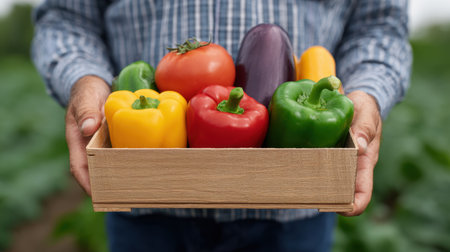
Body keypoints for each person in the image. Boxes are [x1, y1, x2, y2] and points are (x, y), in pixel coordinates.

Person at [32, 0, 411, 251]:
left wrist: (368, 93)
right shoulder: (163, 105)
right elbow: (67, 18)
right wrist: (84, 78)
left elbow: (379, 27)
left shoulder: (270, 106)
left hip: (294, 210)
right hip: (145, 204)